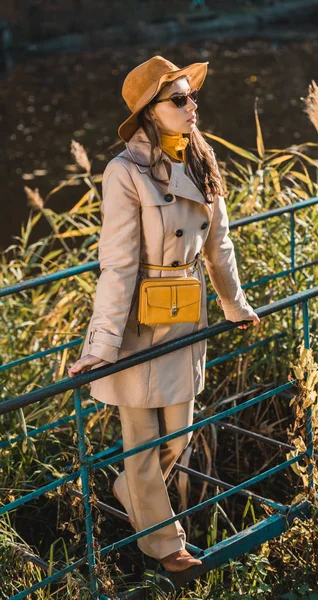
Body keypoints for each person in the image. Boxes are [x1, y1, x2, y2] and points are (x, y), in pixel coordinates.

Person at [68, 55, 260, 572]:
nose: (191, 105)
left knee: (179, 433)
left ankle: (130, 489)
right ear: (151, 112)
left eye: (191, 96)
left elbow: (219, 246)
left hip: (186, 314)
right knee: (142, 440)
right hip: (136, 321)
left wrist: (235, 305)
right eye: (178, 99)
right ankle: (165, 545)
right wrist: (101, 346)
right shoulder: (124, 172)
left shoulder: (201, 158)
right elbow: (118, 265)